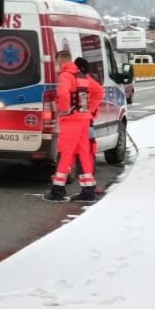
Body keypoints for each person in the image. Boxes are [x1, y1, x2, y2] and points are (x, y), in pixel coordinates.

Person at [45, 51, 104, 202]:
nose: (56, 67)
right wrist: (89, 108)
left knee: (66, 153)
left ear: (60, 62)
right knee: (84, 153)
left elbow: (64, 95)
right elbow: (99, 91)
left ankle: (57, 191)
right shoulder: (83, 76)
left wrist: (64, 109)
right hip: (84, 119)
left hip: (71, 120)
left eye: (56, 64)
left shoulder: (65, 76)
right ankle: (88, 191)